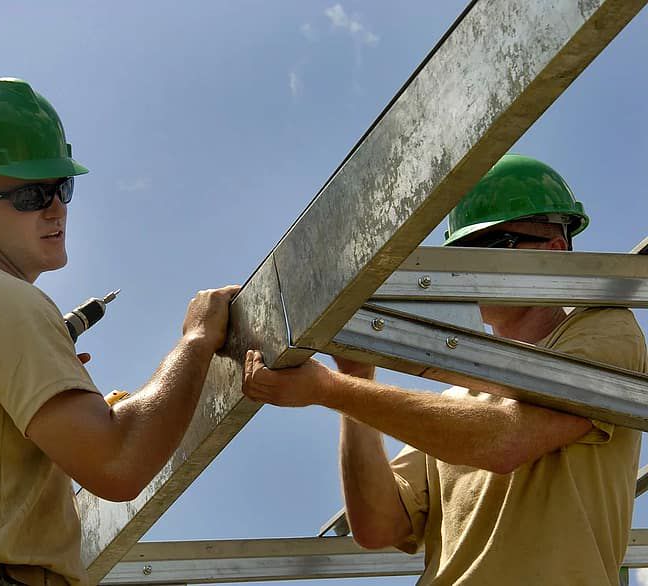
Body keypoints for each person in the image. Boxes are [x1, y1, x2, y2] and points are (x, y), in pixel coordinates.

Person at [0, 77, 238, 586]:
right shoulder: (0, 301)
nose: (55, 207)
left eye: (61, 186)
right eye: (30, 194)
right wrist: (196, 342)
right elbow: (118, 465)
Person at [242, 154, 645, 585]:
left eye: (492, 246)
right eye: (463, 254)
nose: (473, 269)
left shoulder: (603, 329)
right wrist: (356, 381)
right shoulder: (456, 403)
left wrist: (331, 390)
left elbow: (506, 439)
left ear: (555, 250)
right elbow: (380, 526)